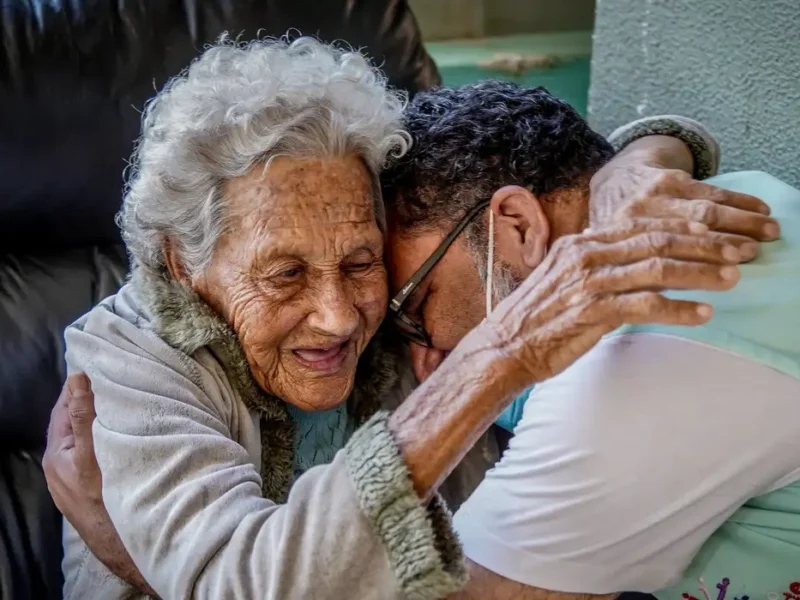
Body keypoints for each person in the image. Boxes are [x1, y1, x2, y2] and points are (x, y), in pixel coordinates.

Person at [42, 36, 755, 600]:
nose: (337, 317)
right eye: (285, 274)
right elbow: (246, 583)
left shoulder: (388, 275)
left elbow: (534, 174)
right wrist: (500, 355)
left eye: (358, 263)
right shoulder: (132, 356)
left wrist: (643, 155)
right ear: (181, 262)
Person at [377, 82, 800, 599]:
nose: (425, 349)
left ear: (518, 225)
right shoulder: (735, 201)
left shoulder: (633, 370)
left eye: (417, 308)